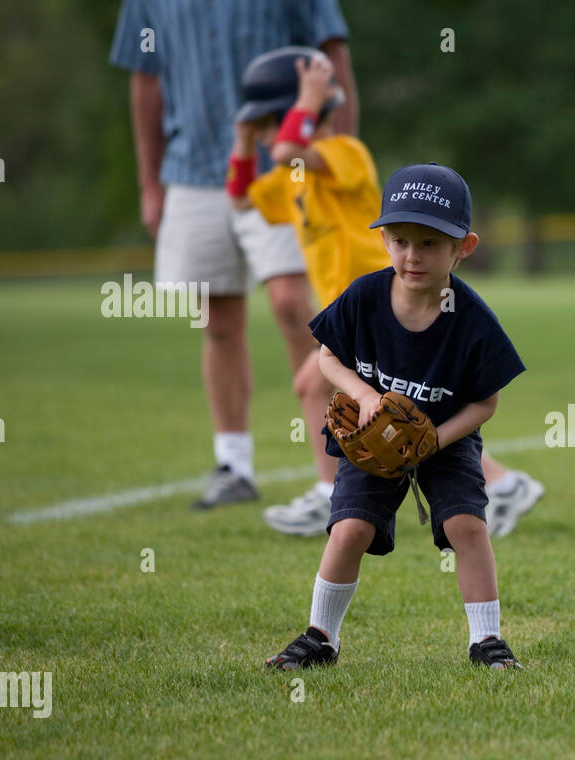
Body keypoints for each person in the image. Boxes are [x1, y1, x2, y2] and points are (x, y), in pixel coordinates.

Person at [227, 47, 545, 537]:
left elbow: (291, 150)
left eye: (271, 122)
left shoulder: (342, 155)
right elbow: (243, 197)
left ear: (301, 116)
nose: (273, 135)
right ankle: (501, 483)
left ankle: (330, 492)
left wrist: (307, 101)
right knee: (401, 411)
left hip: (393, 303)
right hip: (354, 311)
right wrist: (243, 140)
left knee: (316, 385)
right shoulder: (294, 182)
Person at [265, 163, 527, 670]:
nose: (413, 255)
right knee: (349, 531)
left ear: (463, 248)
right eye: (401, 240)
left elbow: (486, 402)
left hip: (445, 439)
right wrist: (363, 395)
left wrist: (436, 439)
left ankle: (487, 642)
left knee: (467, 527)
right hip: (370, 435)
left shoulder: (471, 318)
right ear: (384, 239)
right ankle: (321, 636)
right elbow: (326, 357)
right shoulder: (365, 296)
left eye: (430, 243)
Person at [109, 0, 358, 527]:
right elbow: (145, 79)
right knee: (218, 321)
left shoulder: (324, 156)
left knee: (297, 310)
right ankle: (237, 465)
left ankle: (335, 475)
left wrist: (326, 135)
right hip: (194, 165)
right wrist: (151, 182)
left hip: (295, 168)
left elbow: (332, 57)